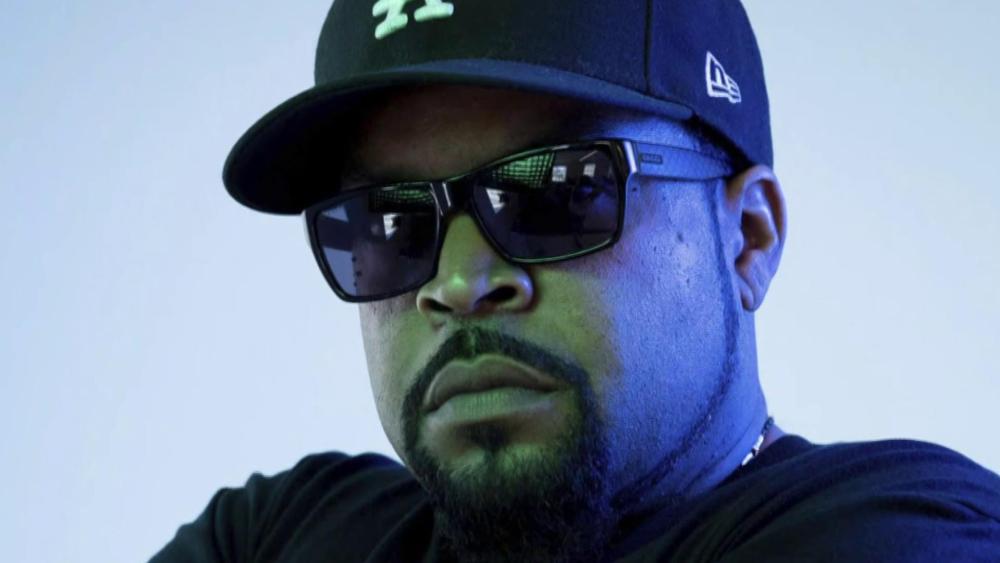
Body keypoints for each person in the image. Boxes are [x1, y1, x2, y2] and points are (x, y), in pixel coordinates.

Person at [151, 1, 1000, 561]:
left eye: (556, 191)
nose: (457, 282)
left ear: (748, 237)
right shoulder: (280, 535)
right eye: (389, 222)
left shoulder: (904, 534)